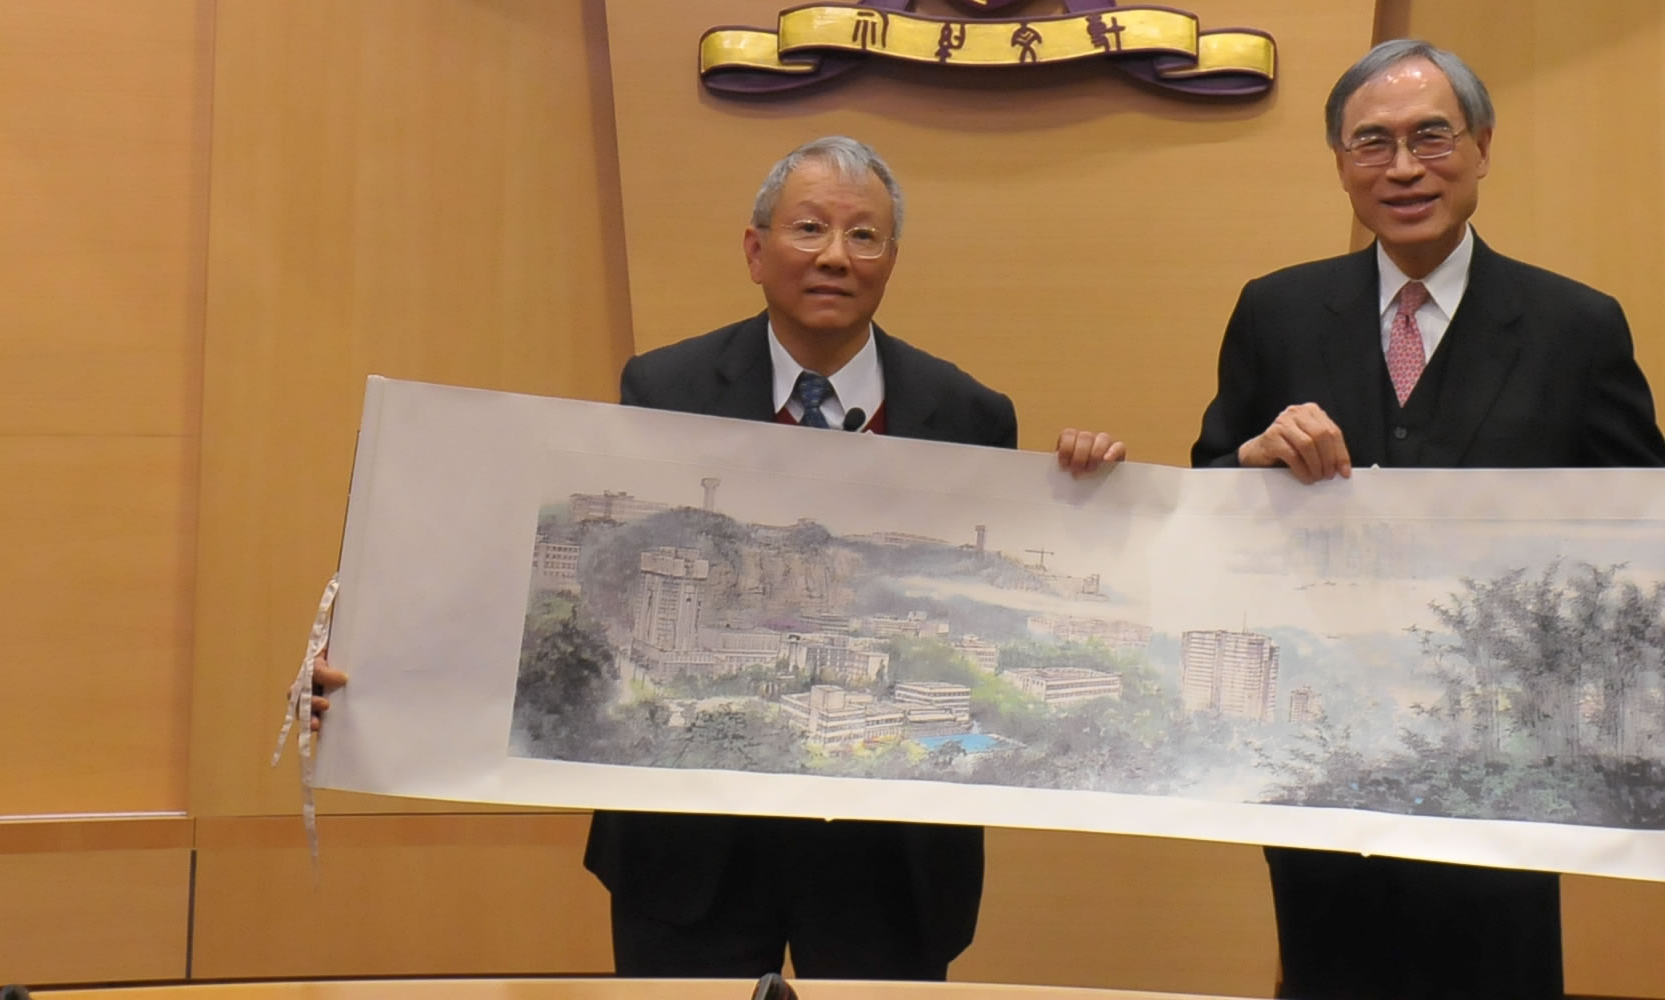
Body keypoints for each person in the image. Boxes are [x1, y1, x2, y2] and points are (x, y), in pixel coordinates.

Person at [313, 133, 1123, 982]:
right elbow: (552, 574)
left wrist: (1091, 493)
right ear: (755, 249)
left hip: (890, 857)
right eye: (809, 229)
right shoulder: (665, 389)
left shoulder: (969, 414)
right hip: (691, 846)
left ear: (892, 259)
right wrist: (387, 669)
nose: (836, 257)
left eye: (865, 236)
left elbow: (1000, 596)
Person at [1168, 39, 1665, 1000]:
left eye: (1431, 136)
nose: (1404, 167)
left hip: (1509, 780)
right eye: (1372, 142)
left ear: (1483, 147)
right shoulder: (1276, 313)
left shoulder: (1576, 327)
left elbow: (1654, 546)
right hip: (1325, 771)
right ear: (1340, 163)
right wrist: (1247, 458)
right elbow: (1206, 500)